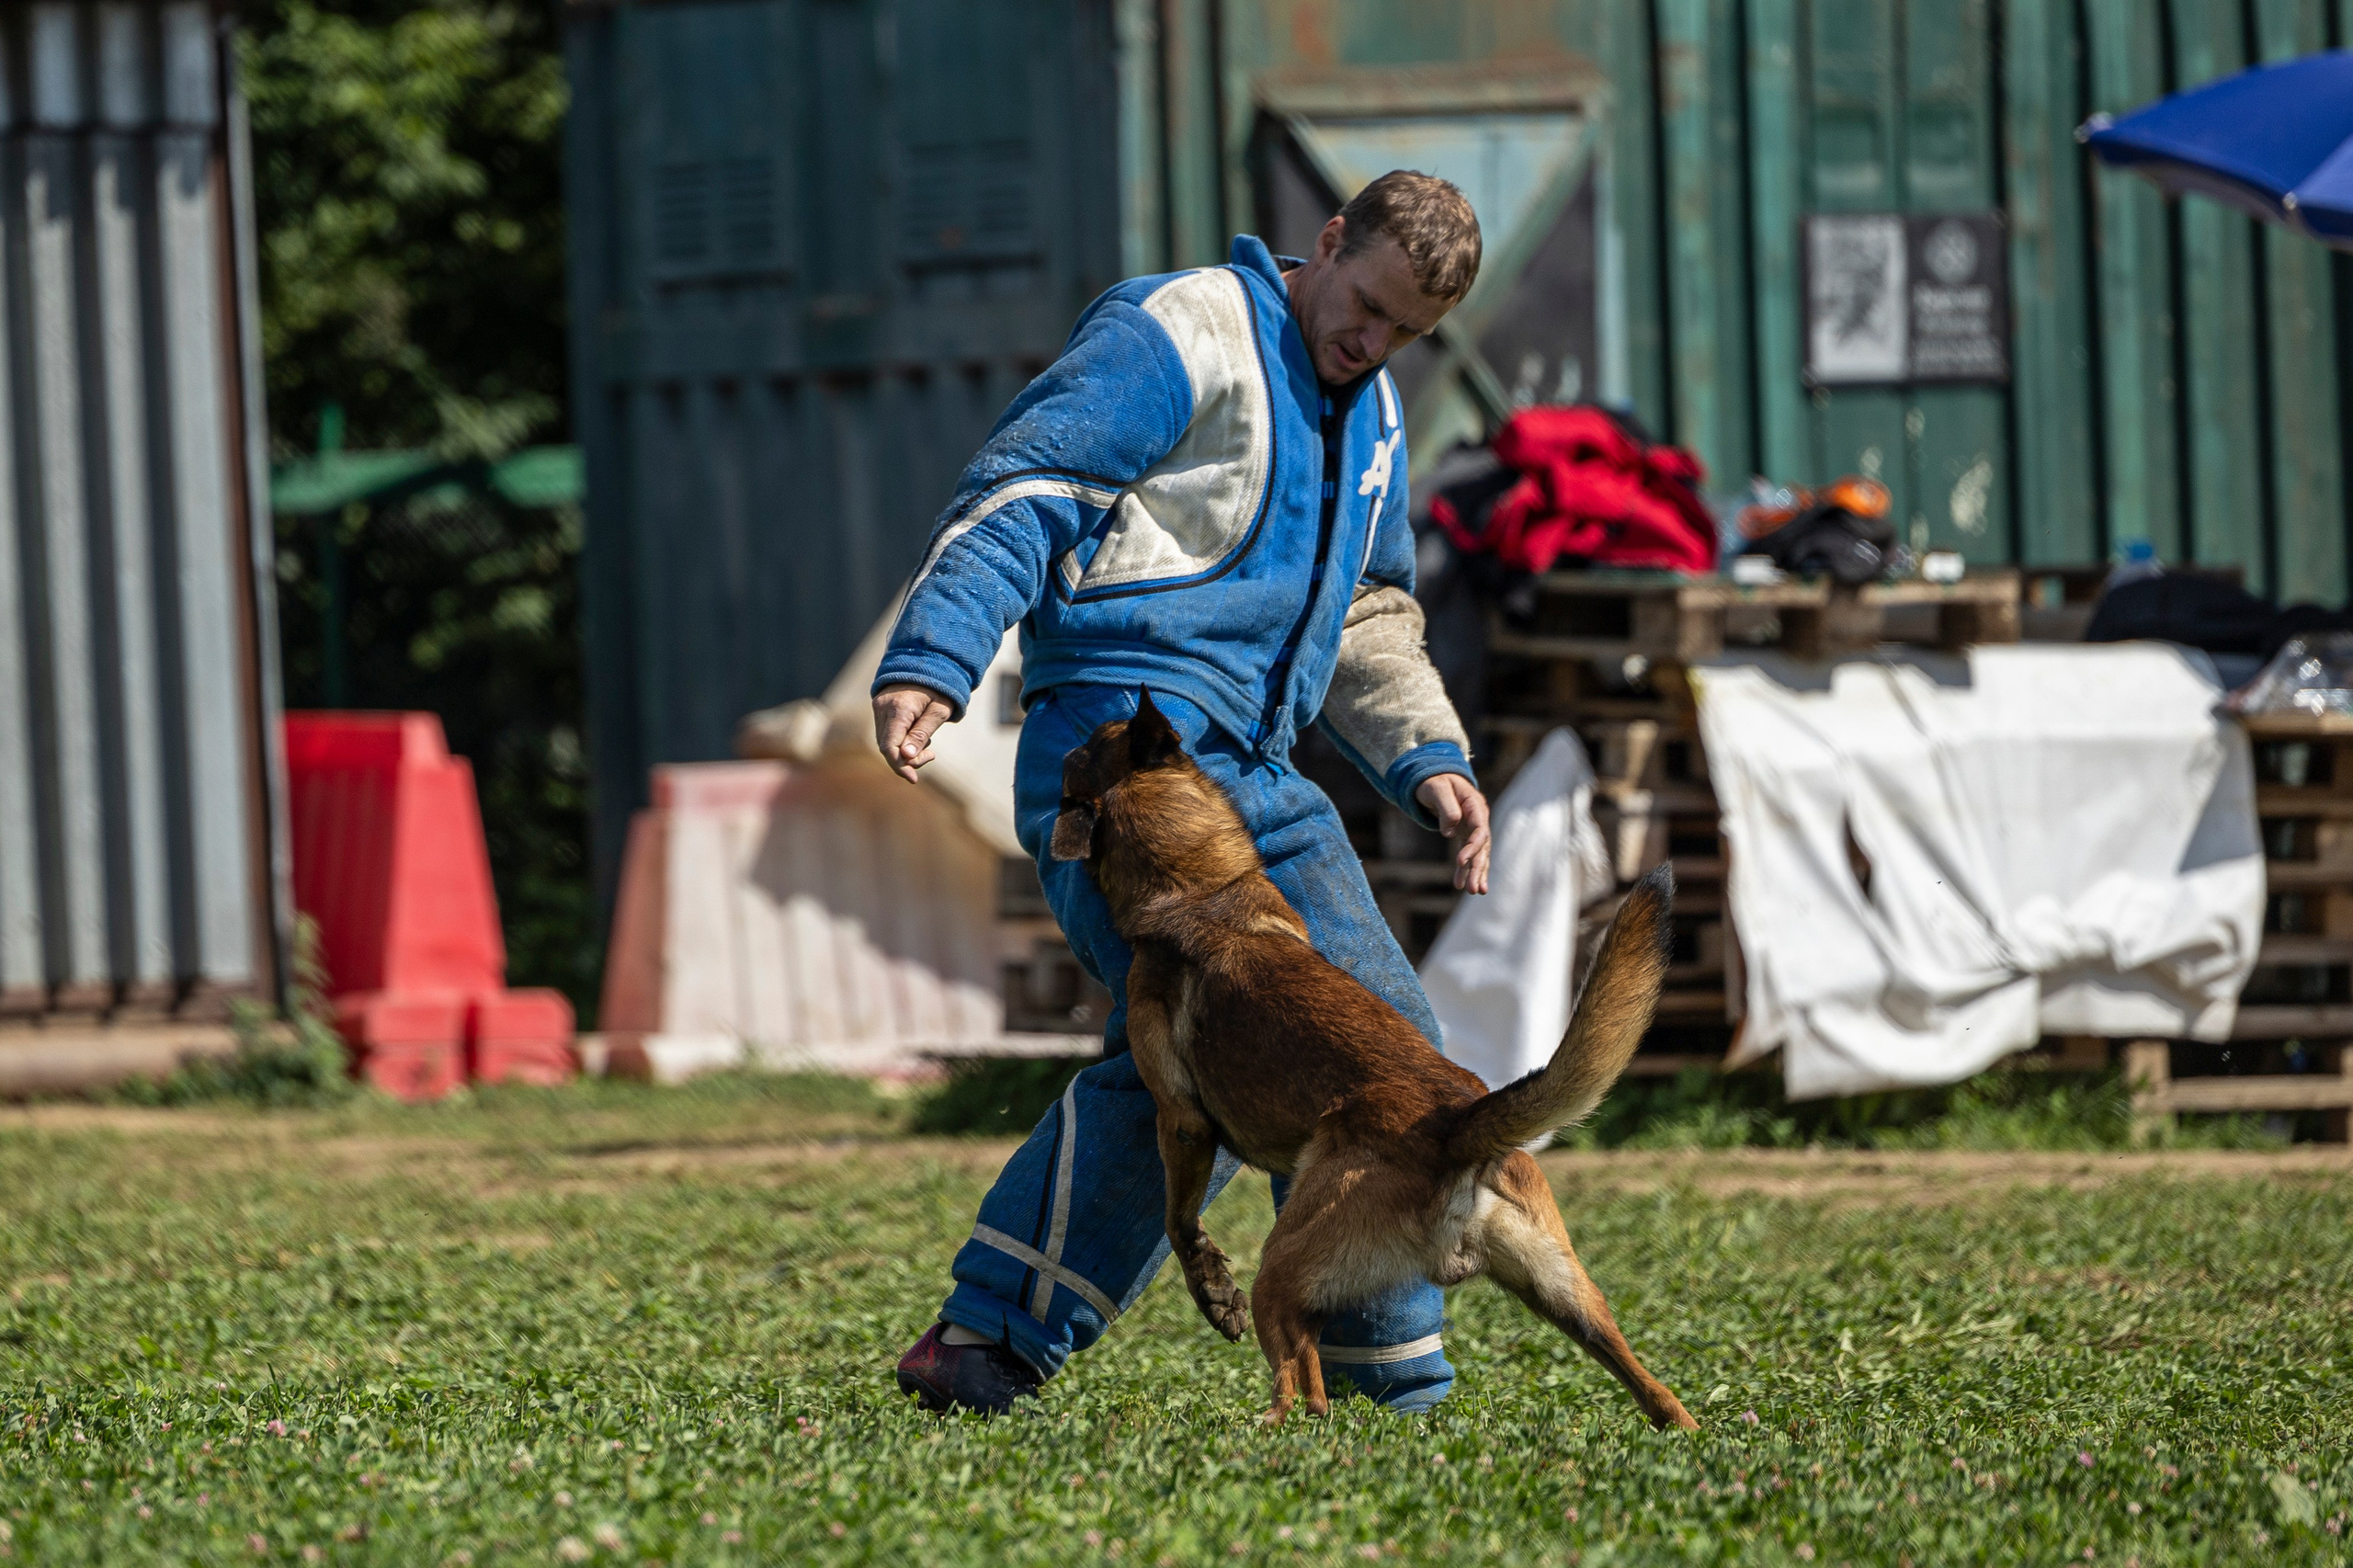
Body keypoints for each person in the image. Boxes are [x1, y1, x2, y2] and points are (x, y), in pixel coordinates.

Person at [872, 170, 1493, 1415]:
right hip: (1124, 758)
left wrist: (1432, 754)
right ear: (1328, 242)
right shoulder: (1180, 329)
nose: (1372, 342)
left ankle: (1382, 1373)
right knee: (1207, 1047)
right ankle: (990, 1339)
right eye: (1365, 305)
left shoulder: (1373, 415)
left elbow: (1370, 611)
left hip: (1256, 771)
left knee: (1383, 1034)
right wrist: (936, 659)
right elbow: (1027, 489)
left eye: (1406, 332)